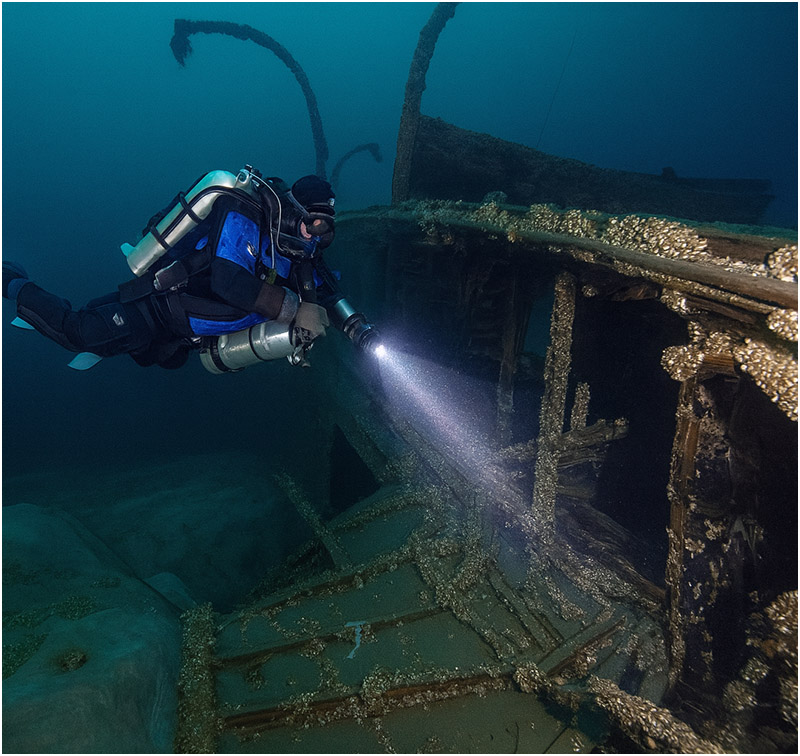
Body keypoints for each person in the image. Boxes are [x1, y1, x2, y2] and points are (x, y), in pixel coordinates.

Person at [3, 166, 379, 373]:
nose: (316, 237)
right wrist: (294, 308)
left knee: (137, 348)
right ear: (294, 211)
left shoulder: (299, 255)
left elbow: (326, 294)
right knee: (80, 333)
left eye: (326, 230)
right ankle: (14, 283)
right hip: (157, 306)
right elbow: (228, 281)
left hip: (182, 336)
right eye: (313, 224)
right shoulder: (245, 217)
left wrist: (357, 328)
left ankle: (60, 319)